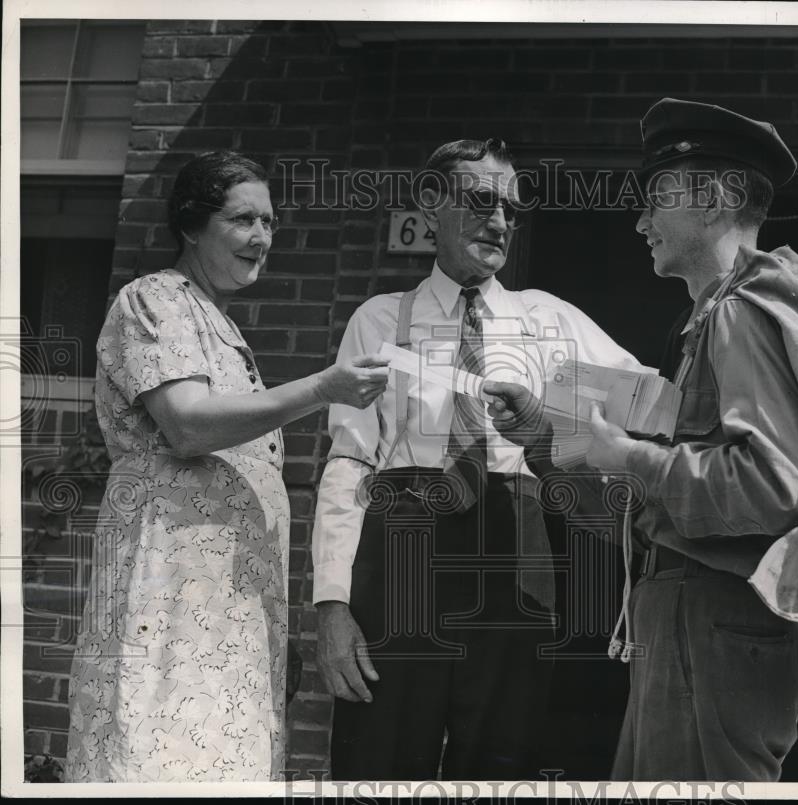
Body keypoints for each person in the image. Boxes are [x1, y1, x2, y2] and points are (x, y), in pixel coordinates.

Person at [487, 97, 798, 782]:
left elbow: (773, 486)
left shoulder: (739, 314)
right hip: (687, 632)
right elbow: (652, 513)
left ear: (716, 198)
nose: (640, 222)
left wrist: (628, 453)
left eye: (655, 200)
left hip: (711, 637)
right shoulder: (708, 324)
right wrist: (540, 439)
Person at [311, 138, 639, 780]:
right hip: (403, 560)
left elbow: (646, 403)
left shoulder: (549, 319)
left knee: (499, 767)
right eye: (483, 202)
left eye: (512, 211)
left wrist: (560, 428)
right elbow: (348, 465)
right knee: (381, 761)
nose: (500, 223)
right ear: (431, 205)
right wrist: (332, 606)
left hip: (517, 563)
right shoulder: (381, 319)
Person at [64, 151, 389, 783]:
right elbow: (186, 423)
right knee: (154, 756)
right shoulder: (153, 298)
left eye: (269, 222)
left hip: (226, 611)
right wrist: (322, 388)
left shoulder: (217, 324)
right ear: (191, 226)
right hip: (167, 592)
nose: (262, 237)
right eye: (243, 220)